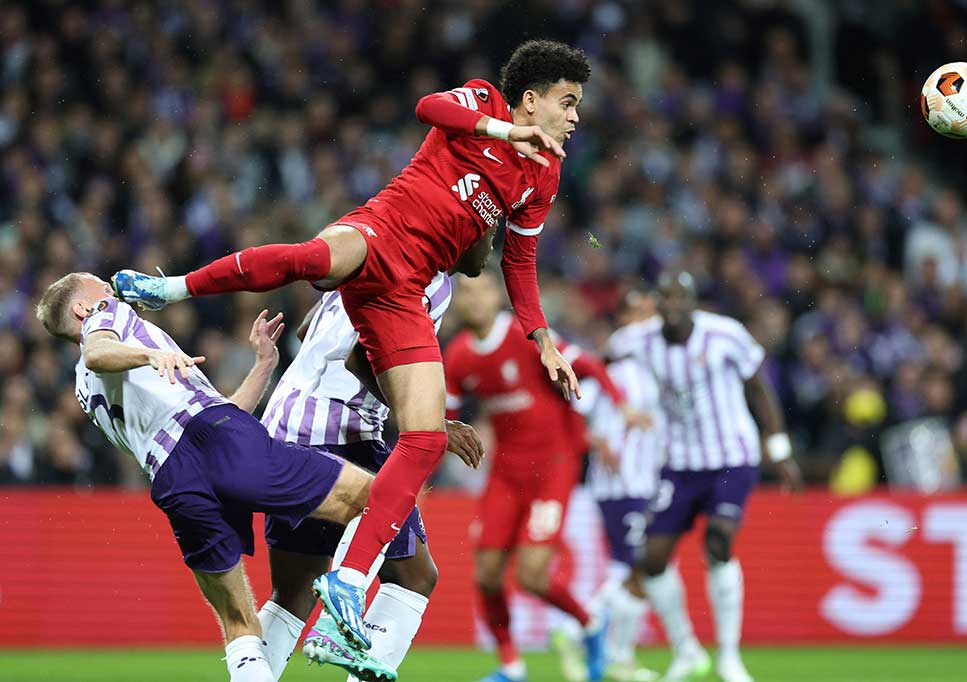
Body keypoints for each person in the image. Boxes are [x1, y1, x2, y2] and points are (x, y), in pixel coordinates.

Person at [110, 39, 591, 658]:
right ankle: (171, 287)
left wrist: (542, 339)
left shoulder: (543, 176)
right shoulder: (482, 102)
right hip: (378, 233)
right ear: (530, 100)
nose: (576, 116)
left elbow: (520, 263)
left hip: (404, 294)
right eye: (567, 102)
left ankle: (349, 578)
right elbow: (426, 107)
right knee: (311, 256)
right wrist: (503, 129)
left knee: (424, 438)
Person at [33, 272, 394, 682]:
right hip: (215, 439)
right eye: (99, 284)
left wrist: (263, 366)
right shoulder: (105, 318)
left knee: (238, 622)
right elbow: (100, 351)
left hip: (174, 477)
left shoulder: (85, 389)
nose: (111, 291)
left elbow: (206, 412)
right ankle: (338, 620)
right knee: (376, 496)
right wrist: (149, 355)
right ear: (83, 308)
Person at [256, 230, 494, 682]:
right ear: (461, 236)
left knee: (292, 592)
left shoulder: (381, 247)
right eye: (488, 235)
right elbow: (360, 359)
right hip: (340, 431)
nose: (491, 247)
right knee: (415, 578)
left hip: (285, 424)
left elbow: (310, 329)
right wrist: (432, 422)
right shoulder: (429, 280)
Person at [444, 272, 645, 682]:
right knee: (485, 573)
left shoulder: (525, 336)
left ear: (497, 294)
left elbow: (585, 362)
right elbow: (441, 418)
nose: (475, 299)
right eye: (466, 292)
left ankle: (588, 622)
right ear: (458, 302)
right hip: (505, 474)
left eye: (482, 290)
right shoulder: (460, 355)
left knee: (532, 575)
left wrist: (620, 405)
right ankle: (511, 667)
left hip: (553, 467)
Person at [611, 271, 803, 682]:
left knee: (718, 540)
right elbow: (597, 357)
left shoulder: (724, 334)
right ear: (657, 304)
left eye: (681, 297)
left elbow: (758, 388)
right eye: (666, 297)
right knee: (652, 558)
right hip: (678, 463)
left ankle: (729, 657)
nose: (673, 304)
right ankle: (685, 649)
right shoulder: (640, 340)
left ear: (694, 301)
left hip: (731, 457)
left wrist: (780, 448)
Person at [574, 290, 664, 682]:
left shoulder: (651, 367)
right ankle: (582, 626)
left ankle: (617, 656)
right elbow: (575, 409)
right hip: (621, 483)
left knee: (635, 569)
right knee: (637, 565)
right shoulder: (615, 367)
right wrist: (599, 440)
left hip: (645, 479)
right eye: (640, 311)